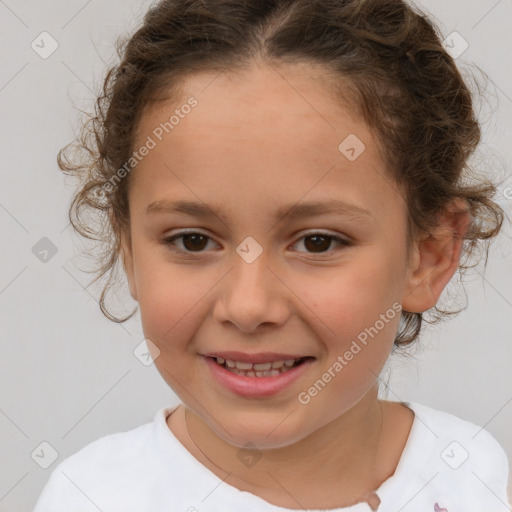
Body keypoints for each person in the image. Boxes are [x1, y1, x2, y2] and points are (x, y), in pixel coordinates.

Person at [33, 0, 510, 510]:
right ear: (128, 251)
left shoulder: (477, 479)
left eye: (317, 242)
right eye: (192, 240)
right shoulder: (92, 498)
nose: (248, 306)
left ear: (429, 256)